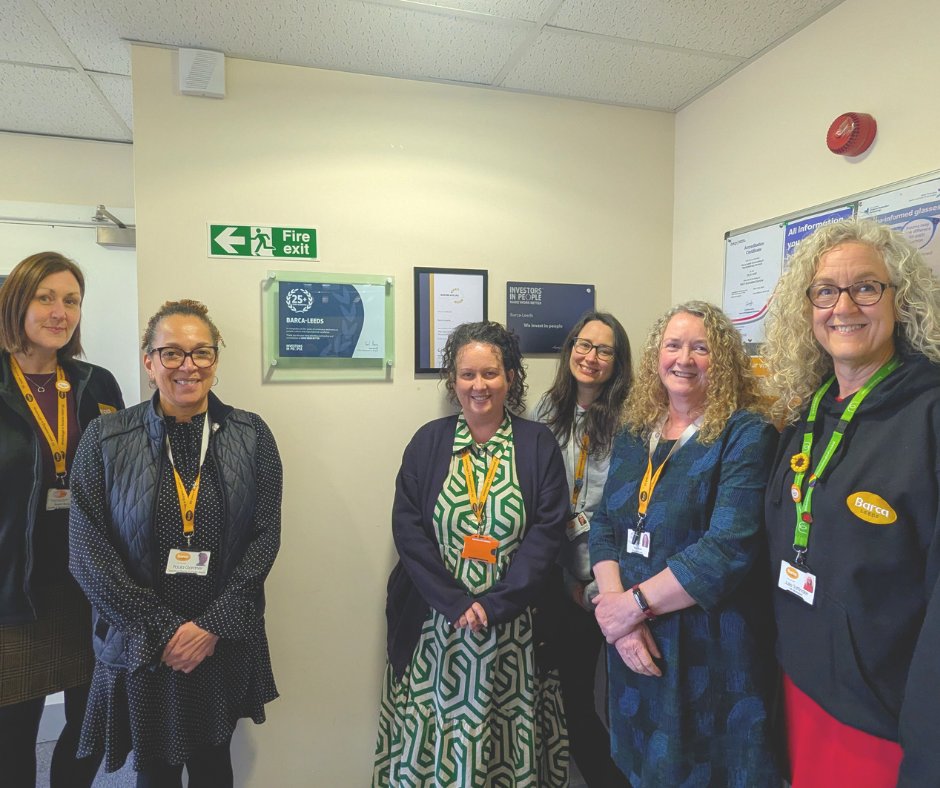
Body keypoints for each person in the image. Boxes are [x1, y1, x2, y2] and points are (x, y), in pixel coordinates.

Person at [67, 299, 282, 787]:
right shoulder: (105, 438)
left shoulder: (252, 435)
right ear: (148, 361)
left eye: (201, 352)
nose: (188, 366)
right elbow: (86, 551)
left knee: (214, 767)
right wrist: (163, 631)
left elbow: (265, 537)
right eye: (171, 353)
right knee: (155, 772)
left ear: (215, 360)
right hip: (143, 641)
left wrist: (209, 627)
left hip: (219, 639)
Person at [761, 218, 940, 786]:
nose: (844, 305)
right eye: (825, 291)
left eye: (867, 287)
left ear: (900, 298)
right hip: (799, 687)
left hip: (885, 721)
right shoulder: (806, 415)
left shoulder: (930, 418)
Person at [590, 301, 781, 787]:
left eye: (702, 348)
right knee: (640, 766)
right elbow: (606, 525)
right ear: (657, 355)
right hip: (632, 640)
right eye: (673, 345)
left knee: (702, 769)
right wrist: (619, 614)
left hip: (706, 647)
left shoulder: (746, 433)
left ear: (725, 361)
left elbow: (725, 550)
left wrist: (630, 607)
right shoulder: (636, 432)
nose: (684, 358)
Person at [372, 321, 571, 786]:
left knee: (505, 738)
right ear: (452, 381)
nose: (478, 386)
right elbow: (409, 531)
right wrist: (457, 604)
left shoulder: (537, 444)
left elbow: (546, 532)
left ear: (511, 378)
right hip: (434, 629)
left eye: (490, 374)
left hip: (515, 632)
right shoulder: (428, 443)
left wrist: (494, 605)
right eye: (466, 375)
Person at [0, 251, 123, 788]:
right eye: (45, 297)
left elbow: (123, 475)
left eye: (70, 300)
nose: (59, 311)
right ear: (15, 304)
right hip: (14, 585)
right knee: (12, 728)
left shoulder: (97, 383)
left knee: (91, 719)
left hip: (90, 582)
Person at [533, 311, 633, 788]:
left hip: (614, 585)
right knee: (570, 701)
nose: (591, 357)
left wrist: (594, 586)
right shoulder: (544, 412)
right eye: (583, 344)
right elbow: (540, 503)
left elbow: (625, 508)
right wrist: (569, 583)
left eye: (604, 350)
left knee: (627, 704)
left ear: (618, 362)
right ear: (570, 347)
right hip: (560, 583)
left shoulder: (633, 420)